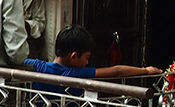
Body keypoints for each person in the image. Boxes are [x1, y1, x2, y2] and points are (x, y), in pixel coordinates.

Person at [24, 25, 162, 97]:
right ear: (73, 56)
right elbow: (117, 71)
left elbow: (17, 62)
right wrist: (146, 71)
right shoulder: (75, 73)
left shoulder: (38, 67)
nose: (87, 63)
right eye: (87, 57)